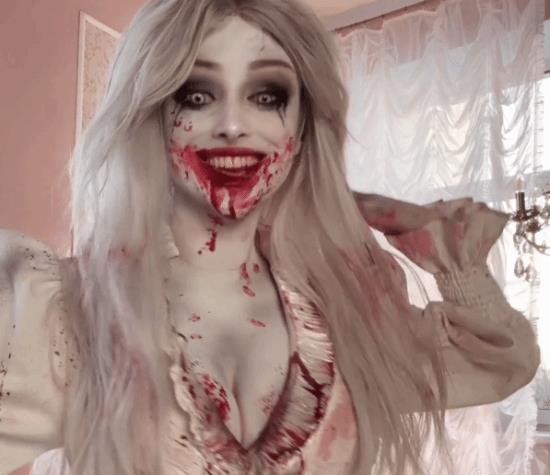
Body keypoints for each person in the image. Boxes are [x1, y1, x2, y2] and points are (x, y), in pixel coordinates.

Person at [0, 0, 541, 474]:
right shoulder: (64, 311)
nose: (233, 125)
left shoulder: (343, 309)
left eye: (266, 95)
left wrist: (442, 247)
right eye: (196, 95)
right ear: (153, 115)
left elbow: (503, 365)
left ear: (302, 127)